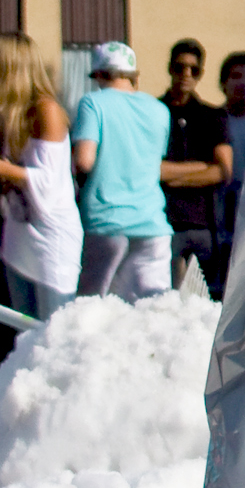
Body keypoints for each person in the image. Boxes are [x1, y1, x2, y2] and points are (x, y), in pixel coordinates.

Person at [0, 32, 78, 323]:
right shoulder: (9, 113)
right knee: (24, 333)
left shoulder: (47, 111)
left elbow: (49, 184)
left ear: (9, 67)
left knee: (52, 330)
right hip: (20, 235)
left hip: (51, 238)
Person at [69, 41, 172, 299]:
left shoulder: (92, 103)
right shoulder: (160, 110)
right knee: (152, 310)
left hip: (105, 221)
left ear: (100, 74)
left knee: (93, 311)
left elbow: (84, 161)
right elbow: (153, 162)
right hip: (152, 223)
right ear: (133, 76)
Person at [157, 38, 232, 295]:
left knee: (203, 300)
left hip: (203, 224)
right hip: (165, 222)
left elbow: (223, 170)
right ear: (170, 69)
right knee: (168, 298)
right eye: (180, 68)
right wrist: (201, 168)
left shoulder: (211, 116)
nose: (186, 75)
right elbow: (153, 170)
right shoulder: (156, 112)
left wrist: (172, 176)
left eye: (193, 69)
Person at [216, 49, 245, 265]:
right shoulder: (212, 122)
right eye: (235, 76)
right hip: (220, 211)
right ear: (223, 83)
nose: (242, 83)